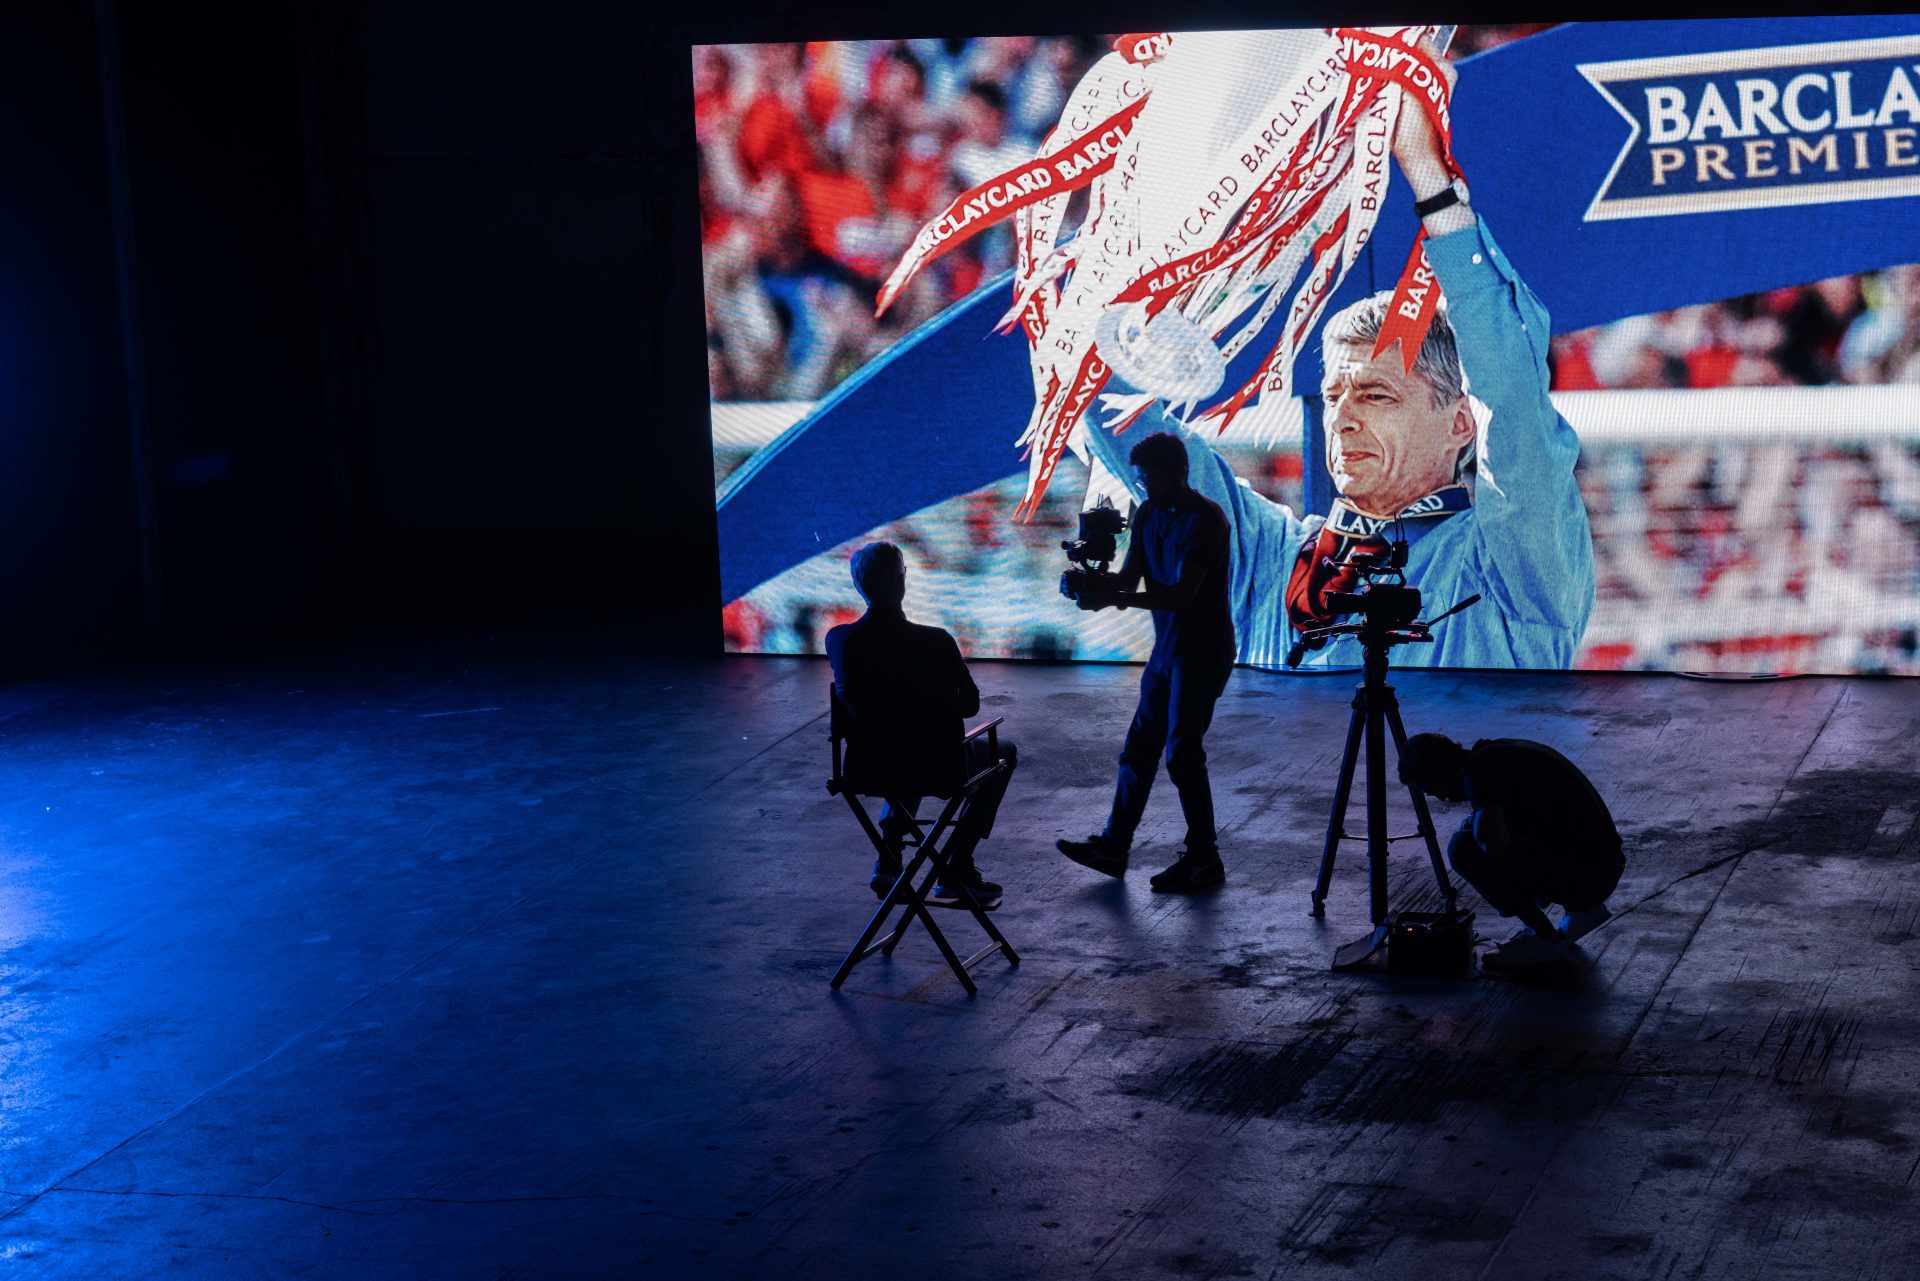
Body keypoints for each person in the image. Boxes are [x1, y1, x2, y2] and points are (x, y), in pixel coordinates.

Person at [1078, 58, 1593, 670]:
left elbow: (1512, 398)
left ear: (1460, 423)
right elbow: (1106, 398)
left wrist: (1430, 179)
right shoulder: (1267, 556)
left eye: (1376, 395)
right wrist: (1143, 240)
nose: (1342, 418)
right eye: (1333, 396)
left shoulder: (1510, 564)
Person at [1056, 432, 1236, 892]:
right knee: (1139, 751)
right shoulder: (1150, 514)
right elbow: (1130, 579)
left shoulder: (1207, 521)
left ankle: (1204, 859)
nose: (1144, 488)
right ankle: (1114, 847)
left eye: (1150, 479)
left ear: (1177, 472)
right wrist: (1098, 590)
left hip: (1202, 653)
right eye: (1139, 480)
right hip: (1167, 654)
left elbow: (1180, 595)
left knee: (1181, 754)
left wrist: (1115, 597)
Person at [825, 541, 1015, 909]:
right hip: (936, 766)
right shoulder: (936, 641)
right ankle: (957, 867)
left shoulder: (840, 640)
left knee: (897, 741)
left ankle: (890, 859)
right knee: (1002, 751)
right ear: (902, 582)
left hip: (866, 767)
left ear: (857, 584)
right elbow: (970, 705)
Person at [1398, 733, 1624, 971]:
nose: (1443, 798)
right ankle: (1581, 908)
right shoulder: (1493, 754)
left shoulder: (1478, 772)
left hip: (1591, 875)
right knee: (1481, 827)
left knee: (1463, 849)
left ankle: (1545, 939)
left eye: (1434, 788)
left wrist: (1478, 825)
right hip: (1603, 867)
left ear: (1442, 767)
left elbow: (1491, 842)